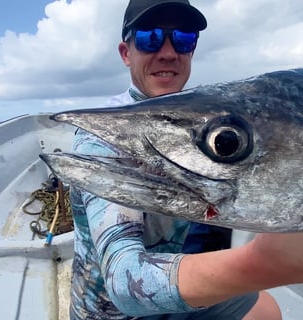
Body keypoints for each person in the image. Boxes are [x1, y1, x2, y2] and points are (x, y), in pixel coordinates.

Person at [69, 1, 303, 319]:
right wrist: (263, 264)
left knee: (266, 310)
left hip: (180, 299)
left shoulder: (205, 111)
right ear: (126, 53)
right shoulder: (105, 136)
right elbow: (123, 279)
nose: (168, 51)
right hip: (116, 314)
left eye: (182, 38)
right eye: (150, 37)